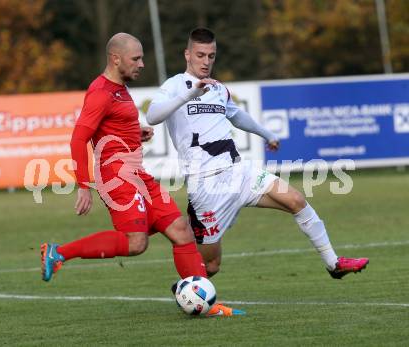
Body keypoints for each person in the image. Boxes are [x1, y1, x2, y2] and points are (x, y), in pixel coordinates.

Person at [40, 32, 243, 316]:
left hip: (137, 173)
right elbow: (78, 139)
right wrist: (83, 186)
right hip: (116, 176)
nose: (142, 64)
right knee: (136, 243)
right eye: (136, 59)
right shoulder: (100, 92)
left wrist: (137, 132)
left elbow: (110, 127)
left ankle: (203, 301)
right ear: (115, 58)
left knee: (182, 232)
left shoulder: (120, 88)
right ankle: (58, 252)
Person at [146, 27, 369, 280]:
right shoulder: (174, 85)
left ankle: (334, 263)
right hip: (206, 186)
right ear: (187, 54)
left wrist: (266, 134)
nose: (206, 61)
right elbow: (153, 116)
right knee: (210, 266)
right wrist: (189, 94)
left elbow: (236, 115)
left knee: (295, 200)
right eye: (200, 55)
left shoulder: (219, 88)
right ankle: (189, 293)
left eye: (211, 55)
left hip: (241, 173)